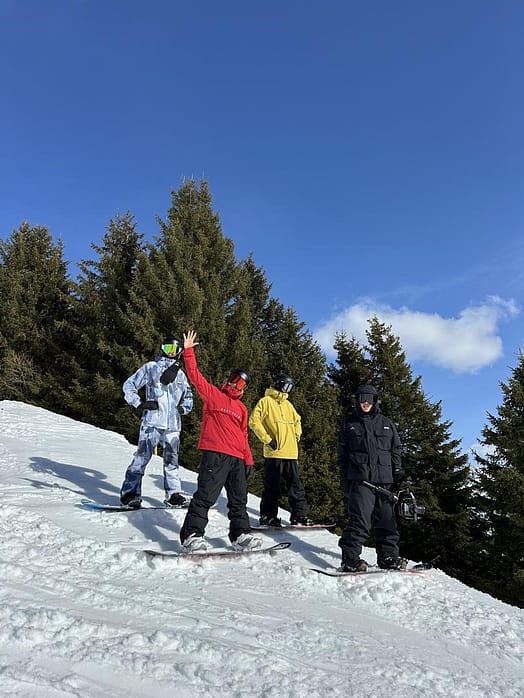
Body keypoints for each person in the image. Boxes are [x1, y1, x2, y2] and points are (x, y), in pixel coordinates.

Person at [179, 329, 262, 552]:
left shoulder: (242, 408)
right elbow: (195, 376)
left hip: (237, 458)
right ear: (228, 380)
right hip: (215, 454)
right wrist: (188, 352)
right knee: (206, 496)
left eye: (242, 385)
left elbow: (244, 436)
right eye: (235, 380)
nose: (237, 386)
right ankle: (192, 535)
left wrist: (248, 461)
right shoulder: (214, 395)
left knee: (239, 501)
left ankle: (241, 535)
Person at [338, 384, 408, 572]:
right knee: (360, 521)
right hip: (361, 480)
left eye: (369, 399)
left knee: (387, 521)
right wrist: (345, 481)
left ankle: (388, 557)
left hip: (385, 481)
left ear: (375, 401)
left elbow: (396, 449)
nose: (365, 403)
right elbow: (342, 456)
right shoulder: (349, 424)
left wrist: (398, 471)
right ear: (357, 400)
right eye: (362, 399)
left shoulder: (386, 423)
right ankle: (350, 559)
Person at [120, 336, 193, 508]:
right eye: (167, 347)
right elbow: (129, 385)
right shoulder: (150, 367)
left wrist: (183, 409)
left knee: (172, 461)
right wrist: (139, 403)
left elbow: (189, 396)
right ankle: (130, 494)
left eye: (174, 349)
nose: (170, 352)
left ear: (179, 352)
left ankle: (174, 494)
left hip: (173, 425)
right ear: (162, 347)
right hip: (152, 421)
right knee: (142, 457)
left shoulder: (180, 374)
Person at [249, 374, 313, 527]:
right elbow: (254, 421)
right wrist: (268, 440)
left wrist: (296, 435)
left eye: (290, 388)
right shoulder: (265, 402)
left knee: (296, 486)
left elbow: (297, 420)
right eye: (286, 387)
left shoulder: (288, 405)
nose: (288, 391)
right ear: (279, 385)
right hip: (275, 452)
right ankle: (268, 516)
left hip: (291, 452)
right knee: (273, 486)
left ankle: (299, 515)